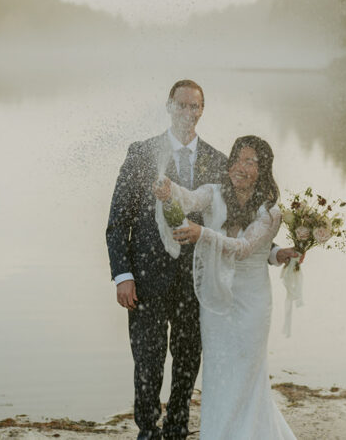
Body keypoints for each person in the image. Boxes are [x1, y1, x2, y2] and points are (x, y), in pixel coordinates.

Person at [153, 135, 299, 440]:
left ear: (263, 169)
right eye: (237, 159)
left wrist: (201, 233)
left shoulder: (271, 211)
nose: (240, 167)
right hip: (215, 299)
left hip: (252, 303)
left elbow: (245, 248)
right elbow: (189, 199)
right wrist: (169, 190)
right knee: (218, 374)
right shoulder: (214, 192)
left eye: (250, 161)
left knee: (248, 373)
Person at [105, 80, 228, 440]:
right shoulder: (142, 153)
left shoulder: (218, 161)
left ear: (202, 111)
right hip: (146, 278)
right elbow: (118, 221)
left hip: (195, 280)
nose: (188, 113)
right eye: (181, 105)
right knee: (148, 359)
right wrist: (122, 275)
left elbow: (228, 223)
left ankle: (176, 426)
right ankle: (147, 428)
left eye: (195, 107)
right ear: (169, 105)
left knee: (188, 359)